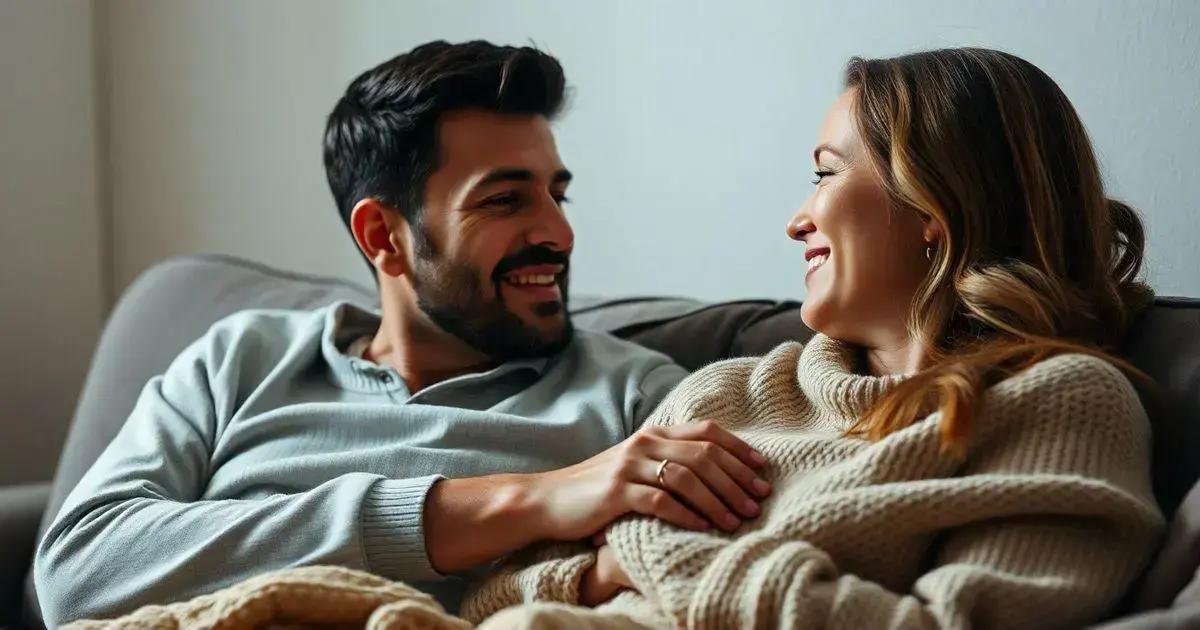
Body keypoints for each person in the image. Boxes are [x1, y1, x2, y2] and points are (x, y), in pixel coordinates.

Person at [33, 40, 777, 627]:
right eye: (506, 200)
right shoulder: (240, 358)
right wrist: (529, 501)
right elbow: (76, 572)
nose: (558, 232)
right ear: (383, 235)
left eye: (556, 193)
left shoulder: (636, 398)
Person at [461, 48, 1166, 629]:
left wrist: (658, 555)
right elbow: (490, 599)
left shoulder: (1061, 402)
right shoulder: (727, 392)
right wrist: (601, 575)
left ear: (933, 202)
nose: (798, 221)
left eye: (826, 174)